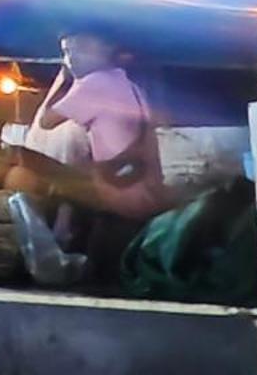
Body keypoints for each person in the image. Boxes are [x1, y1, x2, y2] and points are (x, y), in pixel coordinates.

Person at [25, 22, 168, 276]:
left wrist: (63, 78)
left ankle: (58, 254)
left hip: (119, 200)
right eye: (66, 52)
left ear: (105, 50)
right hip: (144, 193)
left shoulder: (95, 84)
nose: (71, 59)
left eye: (79, 50)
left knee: (47, 174)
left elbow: (46, 121)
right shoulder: (127, 83)